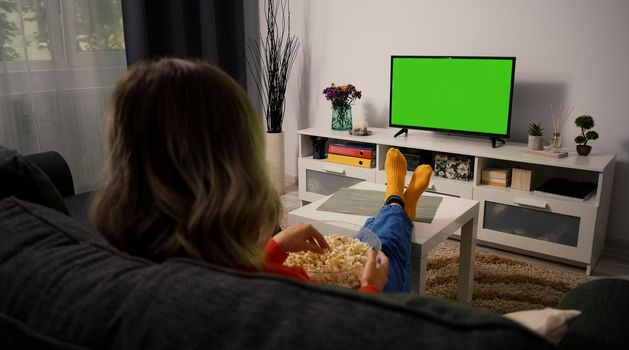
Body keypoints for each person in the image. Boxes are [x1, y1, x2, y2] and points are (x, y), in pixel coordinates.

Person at [92, 58, 430, 293]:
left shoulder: (135, 271)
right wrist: (372, 288)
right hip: (357, 309)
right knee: (388, 253)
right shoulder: (277, 295)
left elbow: (225, 272)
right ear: (239, 173)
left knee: (363, 241)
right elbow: (347, 331)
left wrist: (273, 247)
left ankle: (396, 203)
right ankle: (398, 203)